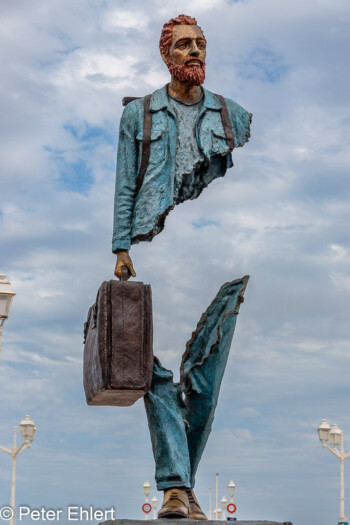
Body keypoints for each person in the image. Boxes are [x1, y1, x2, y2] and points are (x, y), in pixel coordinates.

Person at [112, 15, 251, 519]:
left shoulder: (233, 115)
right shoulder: (141, 115)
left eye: (201, 44)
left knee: (207, 383)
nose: (195, 52)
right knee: (156, 375)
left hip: (222, 249)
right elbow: (125, 182)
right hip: (155, 247)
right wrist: (121, 246)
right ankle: (175, 487)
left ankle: (181, 487)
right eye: (185, 45)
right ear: (166, 55)